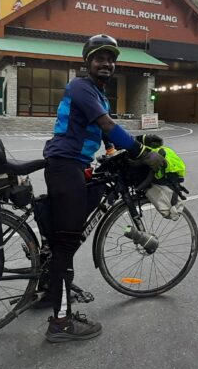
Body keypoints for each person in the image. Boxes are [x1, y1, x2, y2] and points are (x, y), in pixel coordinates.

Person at [41, 34, 165, 342]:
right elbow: (108, 125)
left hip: (75, 166)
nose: (106, 63)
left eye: (111, 59)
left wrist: (116, 156)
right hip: (65, 165)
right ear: (87, 62)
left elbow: (106, 138)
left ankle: (48, 286)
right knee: (66, 245)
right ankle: (60, 323)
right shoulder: (81, 87)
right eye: (100, 58)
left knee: (65, 231)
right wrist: (141, 153)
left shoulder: (98, 94)